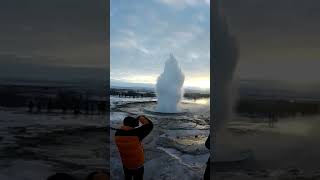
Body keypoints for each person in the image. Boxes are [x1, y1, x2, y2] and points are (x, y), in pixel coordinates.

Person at [115, 115, 153, 180]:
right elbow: (150, 125)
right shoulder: (136, 134)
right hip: (137, 165)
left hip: (126, 164)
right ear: (133, 124)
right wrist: (141, 117)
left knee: (127, 177)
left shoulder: (117, 133)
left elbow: (127, 132)